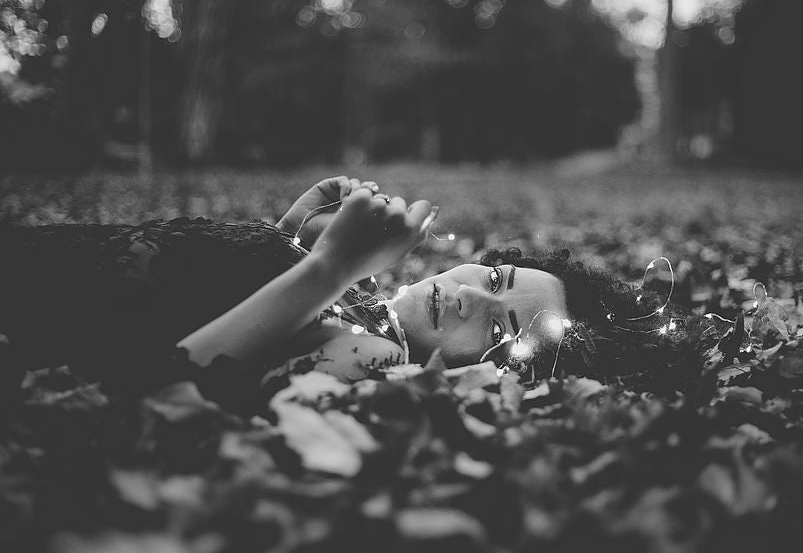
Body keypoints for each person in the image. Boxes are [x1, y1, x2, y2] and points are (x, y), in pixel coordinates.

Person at [0, 176, 695, 412]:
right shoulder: (358, 314)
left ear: (498, 378)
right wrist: (286, 236)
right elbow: (180, 304)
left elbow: (164, 389)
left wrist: (328, 265)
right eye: (492, 282)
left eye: (498, 331)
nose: (468, 302)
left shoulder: (377, 365)